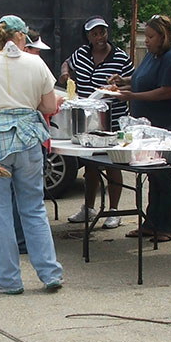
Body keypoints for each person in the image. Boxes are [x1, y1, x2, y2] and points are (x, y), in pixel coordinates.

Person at [0, 15, 64, 294]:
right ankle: (49, 272)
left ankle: (8, 277)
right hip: (28, 139)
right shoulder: (36, 63)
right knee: (33, 207)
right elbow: (48, 105)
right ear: (22, 37)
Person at [113, 14, 171, 242]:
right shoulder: (152, 56)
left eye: (150, 36)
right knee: (152, 174)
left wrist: (132, 95)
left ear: (163, 37)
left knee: (164, 175)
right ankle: (151, 223)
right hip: (150, 125)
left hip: (170, 124)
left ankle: (168, 227)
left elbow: (166, 91)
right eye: (145, 36)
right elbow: (143, 80)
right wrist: (124, 81)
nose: (146, 41)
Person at [59, 16, 134, 228]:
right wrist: (65, 73)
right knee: (90, 165)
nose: (99, 37)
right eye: (95, 34)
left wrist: (118, 87)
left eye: (102, 32)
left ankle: (114, 210)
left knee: (112, 163)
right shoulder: (81, 54)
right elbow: (67, 62)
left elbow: (132, 83)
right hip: (86, 119)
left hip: (112, 118)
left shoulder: (119, 57)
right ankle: (88, 208)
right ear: (88, 36)